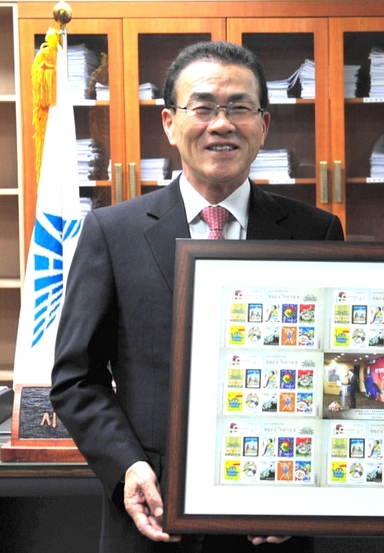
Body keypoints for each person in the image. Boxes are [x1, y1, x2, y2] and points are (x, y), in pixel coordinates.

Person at [50, 41, 344, 553]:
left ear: (263, 125)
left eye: (239, 108)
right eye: (203, 107)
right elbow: (77, 377)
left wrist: (305, 488)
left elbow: (337, 370)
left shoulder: (314, 231)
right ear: (169, 123)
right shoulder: (112, 232)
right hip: (153, 513)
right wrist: (127, 466)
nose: (222, 124)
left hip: (273, 515)